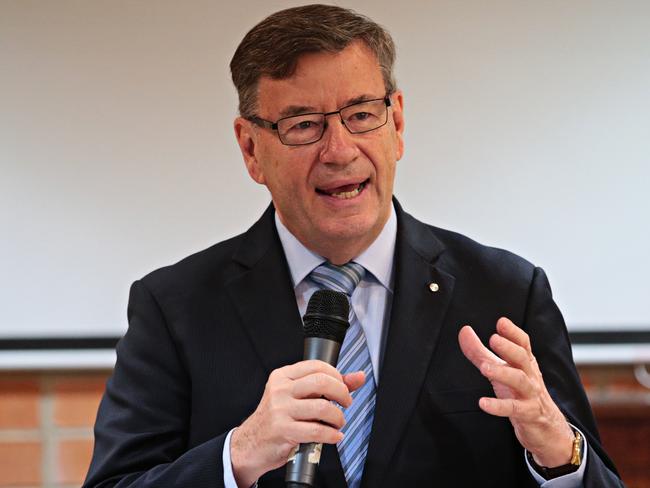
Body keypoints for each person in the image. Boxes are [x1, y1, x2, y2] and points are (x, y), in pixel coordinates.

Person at [84, 4, 623, 487]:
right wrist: (239, 454)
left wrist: (559, 452)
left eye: (362, 114)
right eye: (304, 125)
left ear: (398, 122)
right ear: (251, 148)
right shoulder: (174, 307)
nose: (340, 150)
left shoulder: (507, 292)